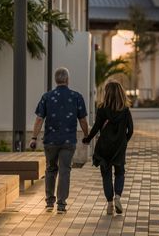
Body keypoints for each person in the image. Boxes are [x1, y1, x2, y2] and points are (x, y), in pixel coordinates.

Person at [30, 67, 89, 214]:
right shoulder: (76, 97)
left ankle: (50, 202)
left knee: (50, 169)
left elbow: (39, 119)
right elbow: (82, 120)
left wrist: (33, 137)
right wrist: (87, 136)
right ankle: (61, 205)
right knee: (64, 171)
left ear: (56, 80)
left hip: (50, 140)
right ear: (67, 80)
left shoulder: (47, 97)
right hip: (68, 141)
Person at [82, 81, 133, 215]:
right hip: (119, 148)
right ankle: (117, 197)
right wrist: (123, 142)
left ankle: (110, 204)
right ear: (121, 94)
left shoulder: (102, 109)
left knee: (106, 175)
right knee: (120, 172)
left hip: (104, 147)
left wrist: (87, 139)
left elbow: (96, 127)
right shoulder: (125, 110)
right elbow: (131, 130)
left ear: (107, 94)